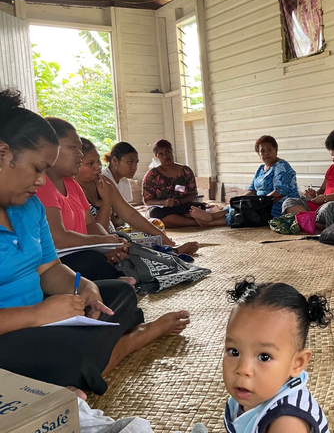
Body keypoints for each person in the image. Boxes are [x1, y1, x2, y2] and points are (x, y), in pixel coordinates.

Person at [0, 88, 190, 397]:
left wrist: (83, 287)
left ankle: (57, 378)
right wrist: (36, 315)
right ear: (3, 154)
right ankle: (127, 343)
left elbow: (50, 269)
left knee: (119, 294)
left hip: (48, 322)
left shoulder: (28, 207)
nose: (39, 181)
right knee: (46, 352)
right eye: (37, 169)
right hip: (13, 333)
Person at [223, 278, 332, 433]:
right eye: (234, 352)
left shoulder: (287, 423)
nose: (243, 369)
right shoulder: (247, 394)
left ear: (297, 363)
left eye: (264, 357)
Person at [37, 118, 132, 282]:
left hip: (85, 248)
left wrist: (108, 245)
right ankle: (116, 286)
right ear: (49, 148)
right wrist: (102, 242)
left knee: (123, 240)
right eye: (74, 147)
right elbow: (59, 239)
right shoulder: (42, 186)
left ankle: (117, 284)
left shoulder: (72, 184)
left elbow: (91, 224)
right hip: (59, 260)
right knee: (90, 261)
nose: (80, 155)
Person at [76, 138, 199, 255]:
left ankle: (170, 249)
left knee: (146, 235)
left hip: (114, 238)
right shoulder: (72, 191)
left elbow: (130, 214)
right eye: (90, 163)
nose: (97, 166)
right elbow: (98, 237)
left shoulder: (104, 183)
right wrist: (107, 201)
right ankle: (171, 252)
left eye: (98, 161)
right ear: (76, 164)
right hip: (99, 247)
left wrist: (169, 242)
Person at [190, 135, 299, 227]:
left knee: (247, 211)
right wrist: (241, 200)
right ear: (259, 154)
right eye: (262, 151)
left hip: (278, 204)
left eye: (269, 150)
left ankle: (210, 222)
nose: (266, 153)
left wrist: (257, 203)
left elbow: (279, 192)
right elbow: (252, 189)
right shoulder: (261, 169)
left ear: (276, 150)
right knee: (238, 205)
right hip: (263, 202)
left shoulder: (281, 166)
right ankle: (211, 217)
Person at [143, 139, 206, 228]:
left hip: (182, 206)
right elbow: (148, 201)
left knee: (200, 206)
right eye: (161, 154)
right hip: (162, 209)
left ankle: (177, 220)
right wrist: (164, 203)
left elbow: (193, 195)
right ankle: (194, 222)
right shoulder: (152, 175)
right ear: (156, 156)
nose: (165, 156)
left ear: (172, 151)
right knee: (154, 214)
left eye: (167, 152)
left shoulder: (186, 171)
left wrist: (179, 202)